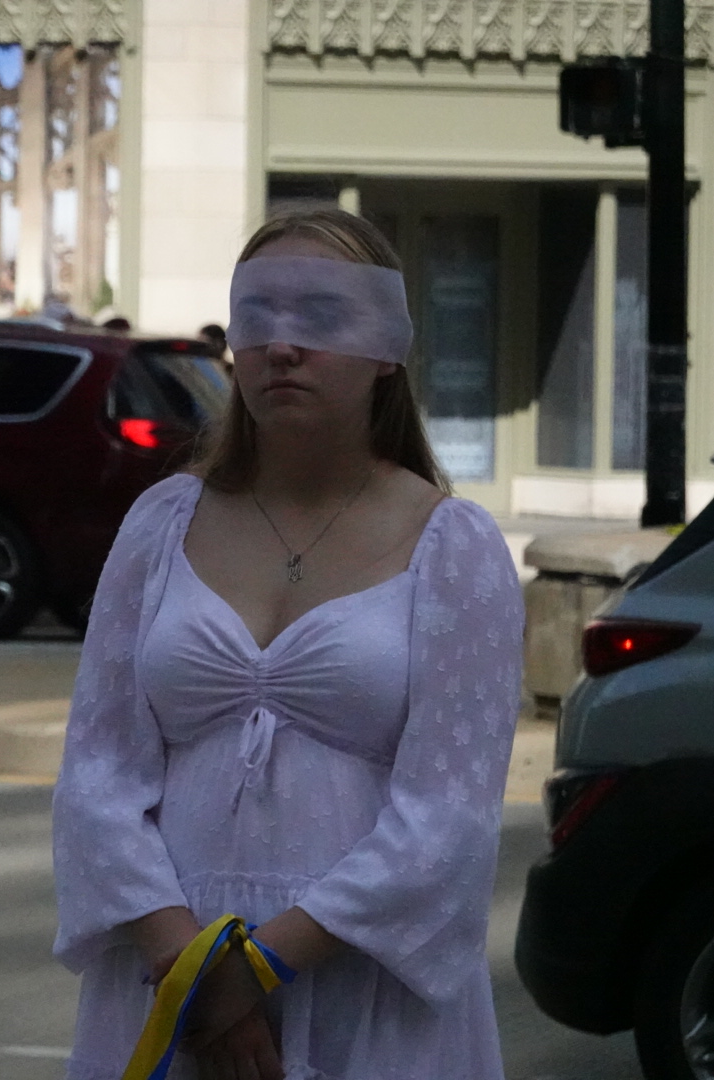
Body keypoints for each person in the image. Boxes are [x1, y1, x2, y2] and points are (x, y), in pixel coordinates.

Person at [51, 207, 524, 1080]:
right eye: (259, 317)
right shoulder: (162, 525)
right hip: (168, 986)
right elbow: (96, 772)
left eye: (323, 316)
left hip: (363, 991)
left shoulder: (453, 550)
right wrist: (186, 970)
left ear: (389, 347)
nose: (282, 345)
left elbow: (448, 818)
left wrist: (259, 969)